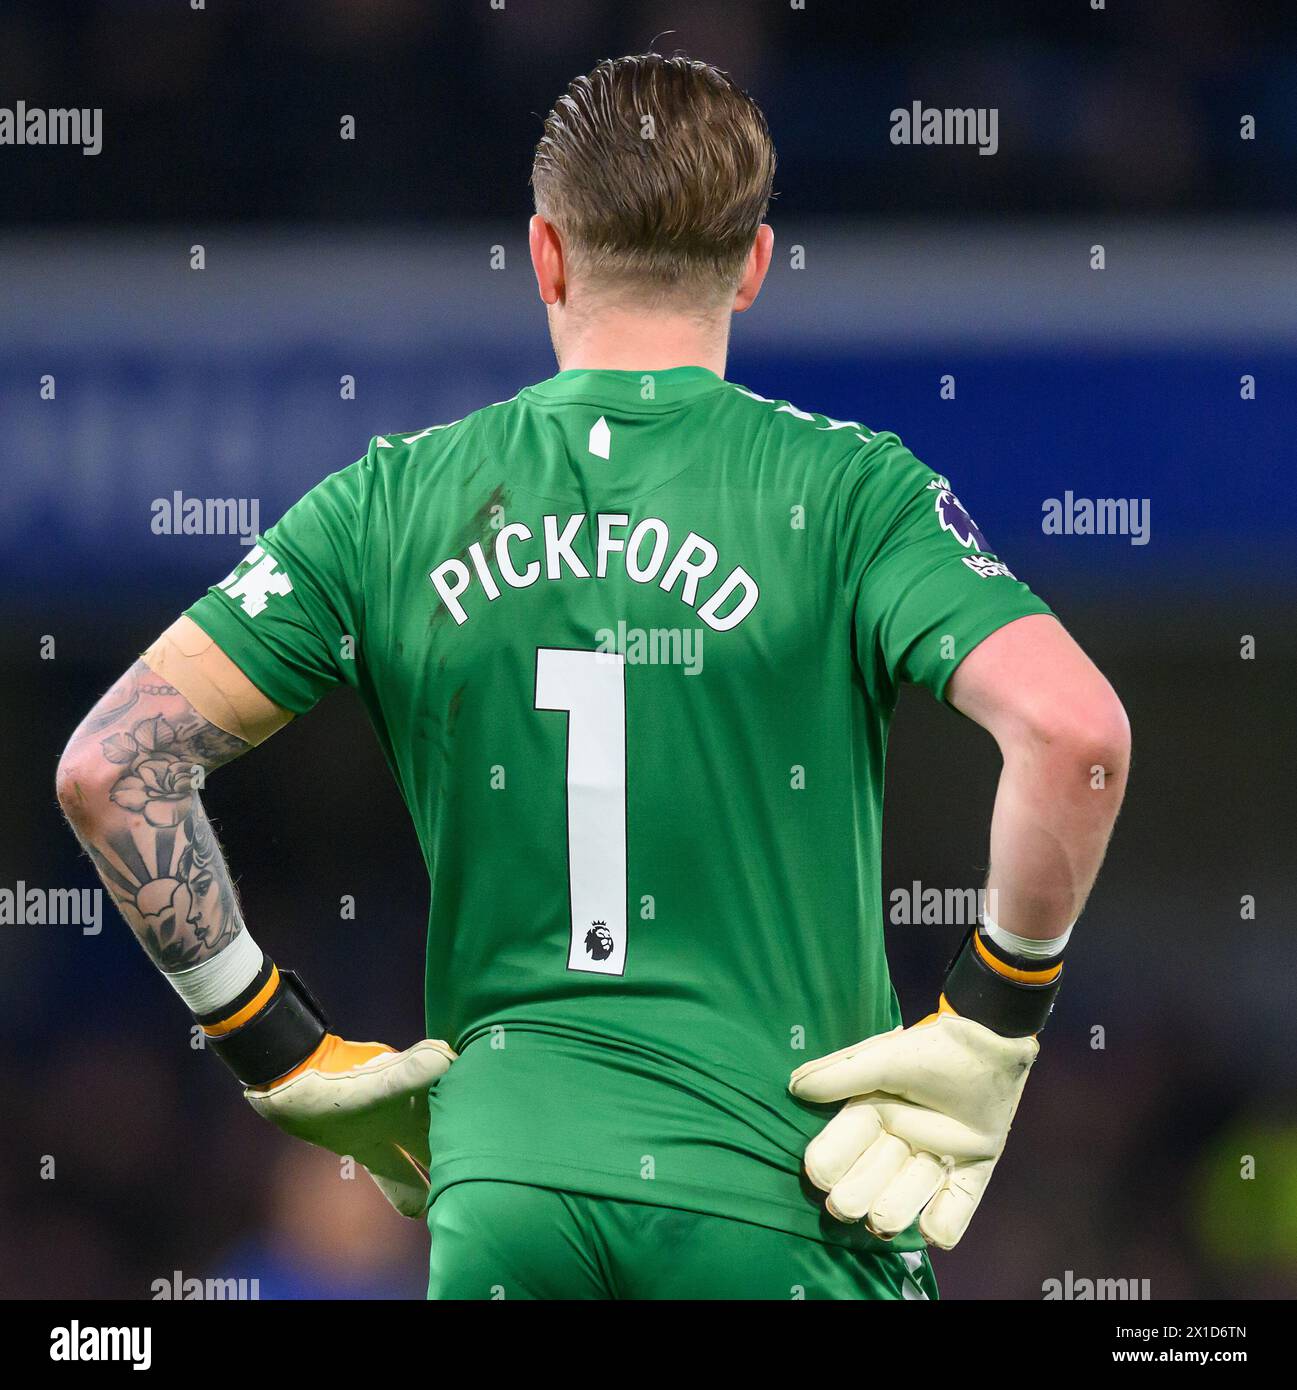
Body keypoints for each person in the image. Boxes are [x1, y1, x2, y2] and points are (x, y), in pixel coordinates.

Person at [56, 54, 1130, 1301]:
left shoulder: (391, 502)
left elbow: (110, 766)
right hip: (790, 1186)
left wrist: (273, 1045)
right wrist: (993, 1015)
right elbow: (1074, 733)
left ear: (545, 255)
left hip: (507, 1183)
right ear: (754, 263)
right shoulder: (849, 493)